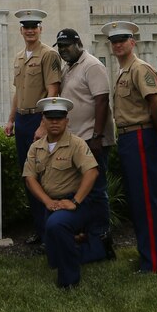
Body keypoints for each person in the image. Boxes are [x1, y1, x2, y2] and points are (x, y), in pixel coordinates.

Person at [104, 20, 157, 273]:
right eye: (114, 41)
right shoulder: (122, 70)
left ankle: (153, 262)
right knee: (137, 199)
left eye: (123, 40)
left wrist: (155, 129)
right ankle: (147, 255)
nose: (118, 45)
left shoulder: (140, 69)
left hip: (141, 135)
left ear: (133, 42)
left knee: (145, 200)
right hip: (129, 137)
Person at [23, 96, 102, 289]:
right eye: (50, 118)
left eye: (59, 118)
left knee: (57, 226)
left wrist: (74, 202)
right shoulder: (36, 147)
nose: (55, 122)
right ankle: (89, 251)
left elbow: (92, 172)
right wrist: (47, 201)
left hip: (76, 204)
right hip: (52, 204)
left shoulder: (76, 144)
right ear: (43, 120)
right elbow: (29, 178)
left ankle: (69, 280)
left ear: (67, 120)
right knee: (54, 256)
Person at [53, 27, 115, 260]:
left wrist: (97, 136)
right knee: (85, 192)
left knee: (97, 192)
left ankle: (101, 241)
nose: (63, 50)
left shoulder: (92, 65)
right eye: (60, 47)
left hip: (93, 140)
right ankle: (89, 238)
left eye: (66, 46)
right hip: (80, 140)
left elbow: (101, 100)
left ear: (78, 43)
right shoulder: (70, 67)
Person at [4, 8, 63, 245]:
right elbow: (18, 92)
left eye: (34, 27)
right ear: (21, 31)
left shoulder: (49, 55)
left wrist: (43, 124)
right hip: (22, 120)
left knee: (45, 177)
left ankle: (51, 232)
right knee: (28, 175)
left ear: (40, 29)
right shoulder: (19, 57)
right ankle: (40, 230)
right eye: (26, 27)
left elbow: (53, 90)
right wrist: (10, 120)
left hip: (39, 120)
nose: (30, 31)